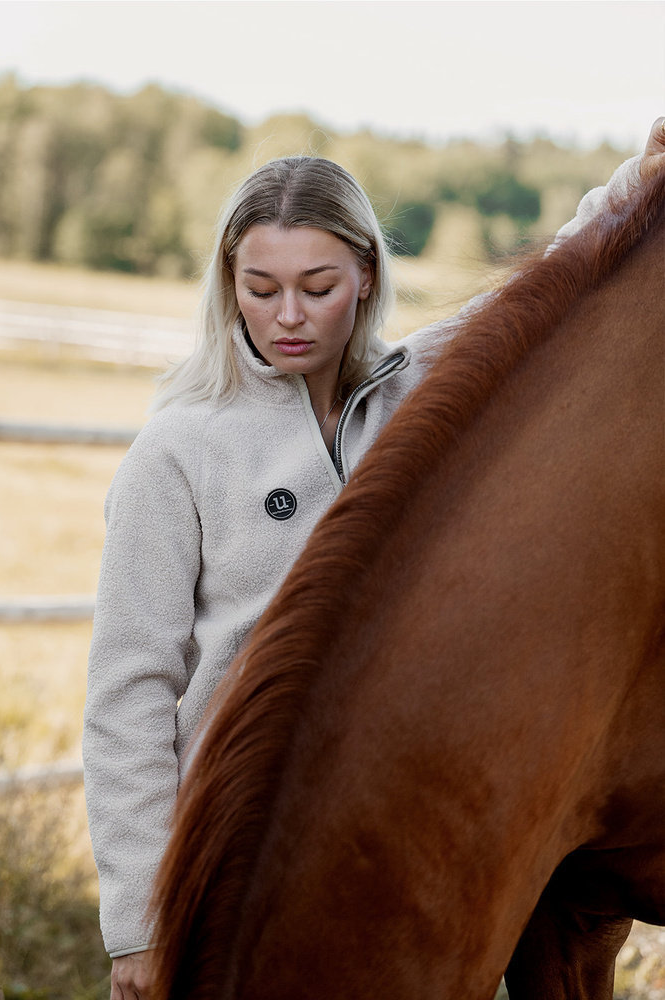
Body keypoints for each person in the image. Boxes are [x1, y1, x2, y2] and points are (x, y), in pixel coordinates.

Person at [83, 119, 665, 1000]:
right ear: (226, 287)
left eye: (317, 286)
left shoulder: (416, 394)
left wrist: (643, 173)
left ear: (364, 275)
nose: (287, 317)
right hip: (236, 862)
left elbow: (557, 278)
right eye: (260, 287)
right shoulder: (177, 451)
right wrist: (136, 925)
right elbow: (128, 693)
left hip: (396, 848)